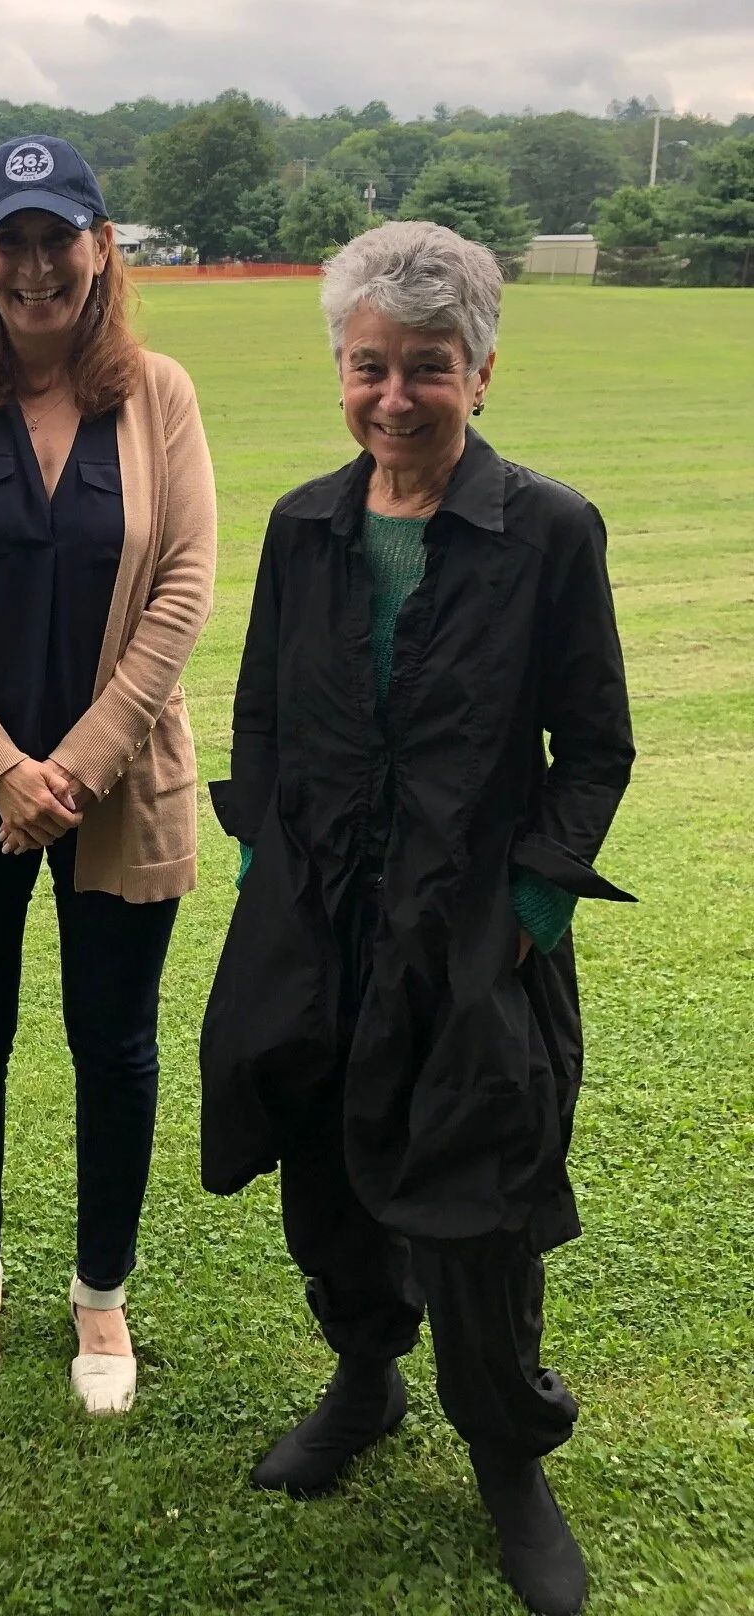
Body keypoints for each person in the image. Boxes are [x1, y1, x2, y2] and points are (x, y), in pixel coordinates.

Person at [200, 223, 634, 1615]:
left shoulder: (549, 532)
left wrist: (526, 913)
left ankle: (510, 1461)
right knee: (326, 1173)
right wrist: (273, 876)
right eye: (370, 366)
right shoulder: (305, 526)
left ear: (482, 374)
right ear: (342, 366)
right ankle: (365, 1379)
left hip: (470, 942)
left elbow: (598, 751)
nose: (395, 397)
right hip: (319, 930)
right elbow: (262, 713)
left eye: (428, 369)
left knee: (475, 1211)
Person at [0, 134, 216, 1414]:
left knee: (114, 1044)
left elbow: (184, 585)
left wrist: (75, 762)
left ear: (100, 246)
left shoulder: (158, 394)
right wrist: (3, 765)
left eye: (56, 237)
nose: (32, 266)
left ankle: (102, 1301)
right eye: (7, 240)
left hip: (120, 781)